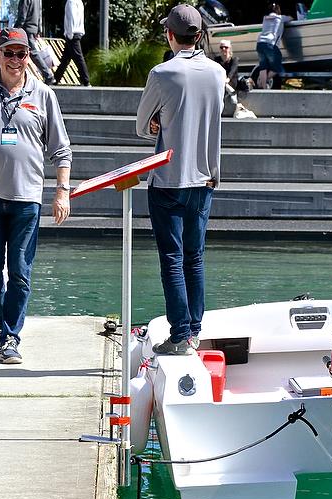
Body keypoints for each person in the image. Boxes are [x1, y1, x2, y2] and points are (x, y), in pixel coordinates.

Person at [0, 28, 72, 363]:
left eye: (21, 53)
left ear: (28, 56)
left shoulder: (44, 94)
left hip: (27, 199)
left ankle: (10, 336)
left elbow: (61, 150)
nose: (16, 60)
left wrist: (62, 192)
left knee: (20, 271)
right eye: (9, 53)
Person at [136, 4, 225, 355]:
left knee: (172, 260)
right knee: (195, 257)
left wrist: (158, 123)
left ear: (169, 35)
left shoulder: (162, 73)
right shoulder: (218, 73)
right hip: (205, 178)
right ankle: (195, 331)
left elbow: (142, 126)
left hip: (169, 179)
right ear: (200, 35)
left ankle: (180, 334)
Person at [14, 0, 56, 85]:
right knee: (24, 53)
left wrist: (15, 29)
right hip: (33, 28)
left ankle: (48, 75)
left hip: (26, 28)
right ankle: (18, 77)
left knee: (32, 53)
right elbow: (39, 13)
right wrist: (38, 29)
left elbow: (22, 14)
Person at [53, 0, 90, 86]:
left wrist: (69, 34)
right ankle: (55, 78)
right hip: (77, 32)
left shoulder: (70, 2)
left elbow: (71, 18)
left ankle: (86, 80)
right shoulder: (79, 2)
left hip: (72, 34)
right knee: (65, 59)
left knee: (78, 57)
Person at [255, 2, 291, 89]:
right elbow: (290, 18)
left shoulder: (265, 18)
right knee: (277, 67)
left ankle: (263, 87)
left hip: (259, 43)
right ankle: (265, 80)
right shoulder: (280, 18)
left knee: (263, 67)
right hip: (270, 44)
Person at [213, 39, 240, 114]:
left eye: (226, 47)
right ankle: (232, 93)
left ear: (230, 48)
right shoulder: (216, 59)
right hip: (221, 82)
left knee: (224, 83)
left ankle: (232, 92)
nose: (223, 49)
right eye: (221, 47)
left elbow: (232, 71)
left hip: (231, 82)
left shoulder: (234, 60)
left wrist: (227, 79)